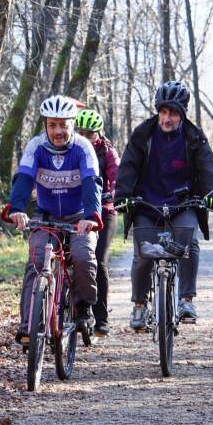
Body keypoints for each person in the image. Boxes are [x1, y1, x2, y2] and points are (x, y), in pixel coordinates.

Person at [114, 81, 213, 329]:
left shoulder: (194, 137)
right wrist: (123, 195)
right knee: (143, 253)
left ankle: (186, 300)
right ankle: (139, 306)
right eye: (163, 112)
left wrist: (212, 193)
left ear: (182, 114)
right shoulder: (143, 134)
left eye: (172, 113)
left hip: (183, 204)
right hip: (146, 204)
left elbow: (207, 168)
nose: (167, 118)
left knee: (189, 242)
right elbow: (128, 167)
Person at [3, 95, 102, 342]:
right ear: (45, 125)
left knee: (82, 256)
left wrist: (91, 216)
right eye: (52, 125)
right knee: (36, 259)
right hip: (46, 216)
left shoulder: (83, 148)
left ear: (72, 124)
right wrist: (16, 209)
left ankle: (84, 308)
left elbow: (92, 183)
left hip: (79, 217)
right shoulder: (36, 147)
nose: (58, 131)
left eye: (63, 125)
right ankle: (28, 325)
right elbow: (24, 178)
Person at [74, 108, 120, 337]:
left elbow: (117, 177)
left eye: (90, 134)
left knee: (98, 260)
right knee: (72, 256)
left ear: (98, 134)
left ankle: (101, 318)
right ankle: (75, 308)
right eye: (81, 133)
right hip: (78, 212)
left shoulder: (108, 152)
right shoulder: (72, 149)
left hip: (104, 211)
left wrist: (114, 193)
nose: (86, 138)